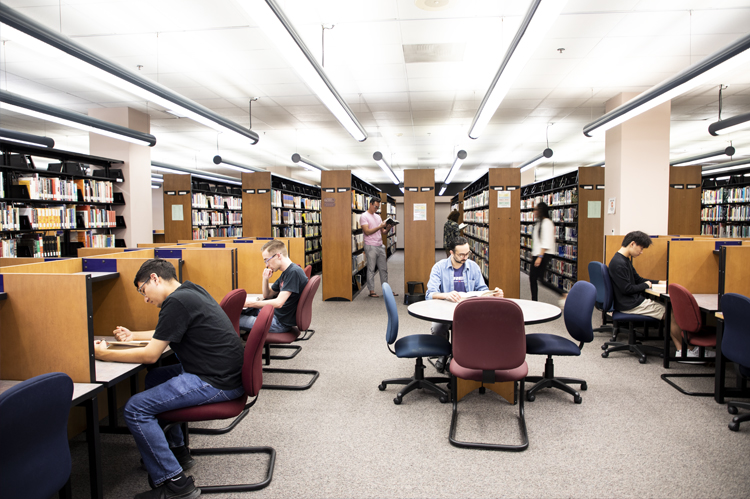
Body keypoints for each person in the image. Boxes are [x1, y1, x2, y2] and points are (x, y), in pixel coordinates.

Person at [94, 259, 244, 499]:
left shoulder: (175, 302)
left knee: (134, 409)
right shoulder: (189, 290)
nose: (145, 298)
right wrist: (132, 336)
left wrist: (103, 353)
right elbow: (167, 330)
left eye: (143, 291)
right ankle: (177, 451)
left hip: (215, 381)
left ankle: (175, 484)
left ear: (154, 278)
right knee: (155, 378)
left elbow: (151, 355)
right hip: (224, 373)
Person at [609, 231, 713, 360]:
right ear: (632, 244)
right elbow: (627, 289)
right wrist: (647, 285)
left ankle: (682, 350)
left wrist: (658, 282)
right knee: (672, 313)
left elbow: (638, 279)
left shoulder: (623, 260)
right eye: (641, 248)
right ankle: (688, 350)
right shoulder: (619, 263)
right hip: (630, 304)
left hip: (631, 301)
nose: (641, 252)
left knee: (671, 312)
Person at [426, 237, 503, 371]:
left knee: (468, 328)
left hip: (468, 311)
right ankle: (443, 354)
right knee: (438, 328)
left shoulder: (473, 266)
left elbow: (482, 289)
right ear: (451, 252)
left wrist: (493, 294)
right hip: (445, 311)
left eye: (467, 253)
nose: (465, 257)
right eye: (461, 254)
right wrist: (446, 295)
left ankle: (458, 357)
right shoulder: (439, 267)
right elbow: (430, 294)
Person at [240, 239, 308, 333]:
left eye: (267, 260)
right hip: (274, 315)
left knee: (231, 319)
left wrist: (247, 303)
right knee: (238, 312)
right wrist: (265, 279)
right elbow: (267, 295)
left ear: (278, 256)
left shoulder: (293, 272)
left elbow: (278, 303)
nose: (266, 265)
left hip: (279, 323)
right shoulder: (286, 272)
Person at [359, 196, 395, 298]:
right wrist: (380, 226)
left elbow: (382, 232)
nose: (376, 209)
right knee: (371, 269)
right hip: (370, 246)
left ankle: (386, 290)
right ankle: (371, 291)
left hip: (380, 245)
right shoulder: (364, 216)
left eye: (377, 207)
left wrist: (387, 228)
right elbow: (367, 231)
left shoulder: (378, 217)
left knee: (383, 269)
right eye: (375, 206)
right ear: (370, 204)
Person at [529, 201, 555, 301]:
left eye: (536, 209)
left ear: (541, 211)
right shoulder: (539, 222)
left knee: (539, 279)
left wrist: (540, 257)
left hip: (543, 255)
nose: (534, 211)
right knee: (535, 279)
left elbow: (546, 241)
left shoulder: (547, 223)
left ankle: (562, 293)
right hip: (538, 254)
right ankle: (534, 300)